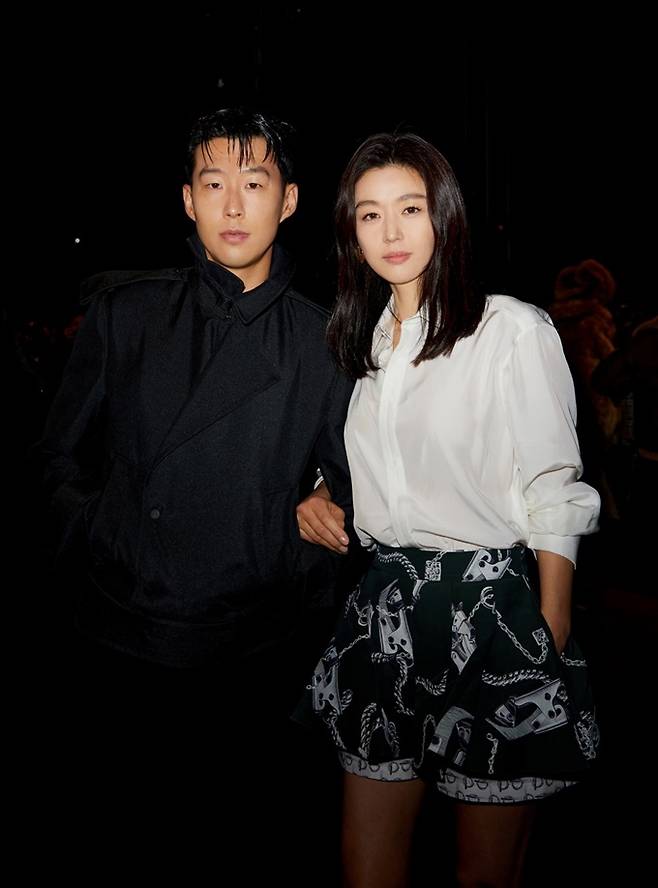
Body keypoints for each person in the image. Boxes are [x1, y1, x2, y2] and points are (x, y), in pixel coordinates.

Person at [38, 107, 353, 867]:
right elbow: (56, 458)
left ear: (290, 200)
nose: (234, 205)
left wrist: (301, 526)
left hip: (251, 652)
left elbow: (353, 496)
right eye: (214, 184)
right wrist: (102, 535)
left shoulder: (323, 344)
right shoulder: (126, 313)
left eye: (256, 183)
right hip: (121, 633)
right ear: (187, 199)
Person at [295, 133, 601, 888]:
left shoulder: (509, 329)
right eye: (370, 214)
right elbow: (370, 464)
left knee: (484, 875)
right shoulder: (360, 343)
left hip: (492, 607)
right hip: (384, 609)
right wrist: (324, 493)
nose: (391, 231)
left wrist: (549, 624)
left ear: (446, 215)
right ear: (351, 230)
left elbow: (553, 484)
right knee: (366, 870)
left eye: (410, 208)